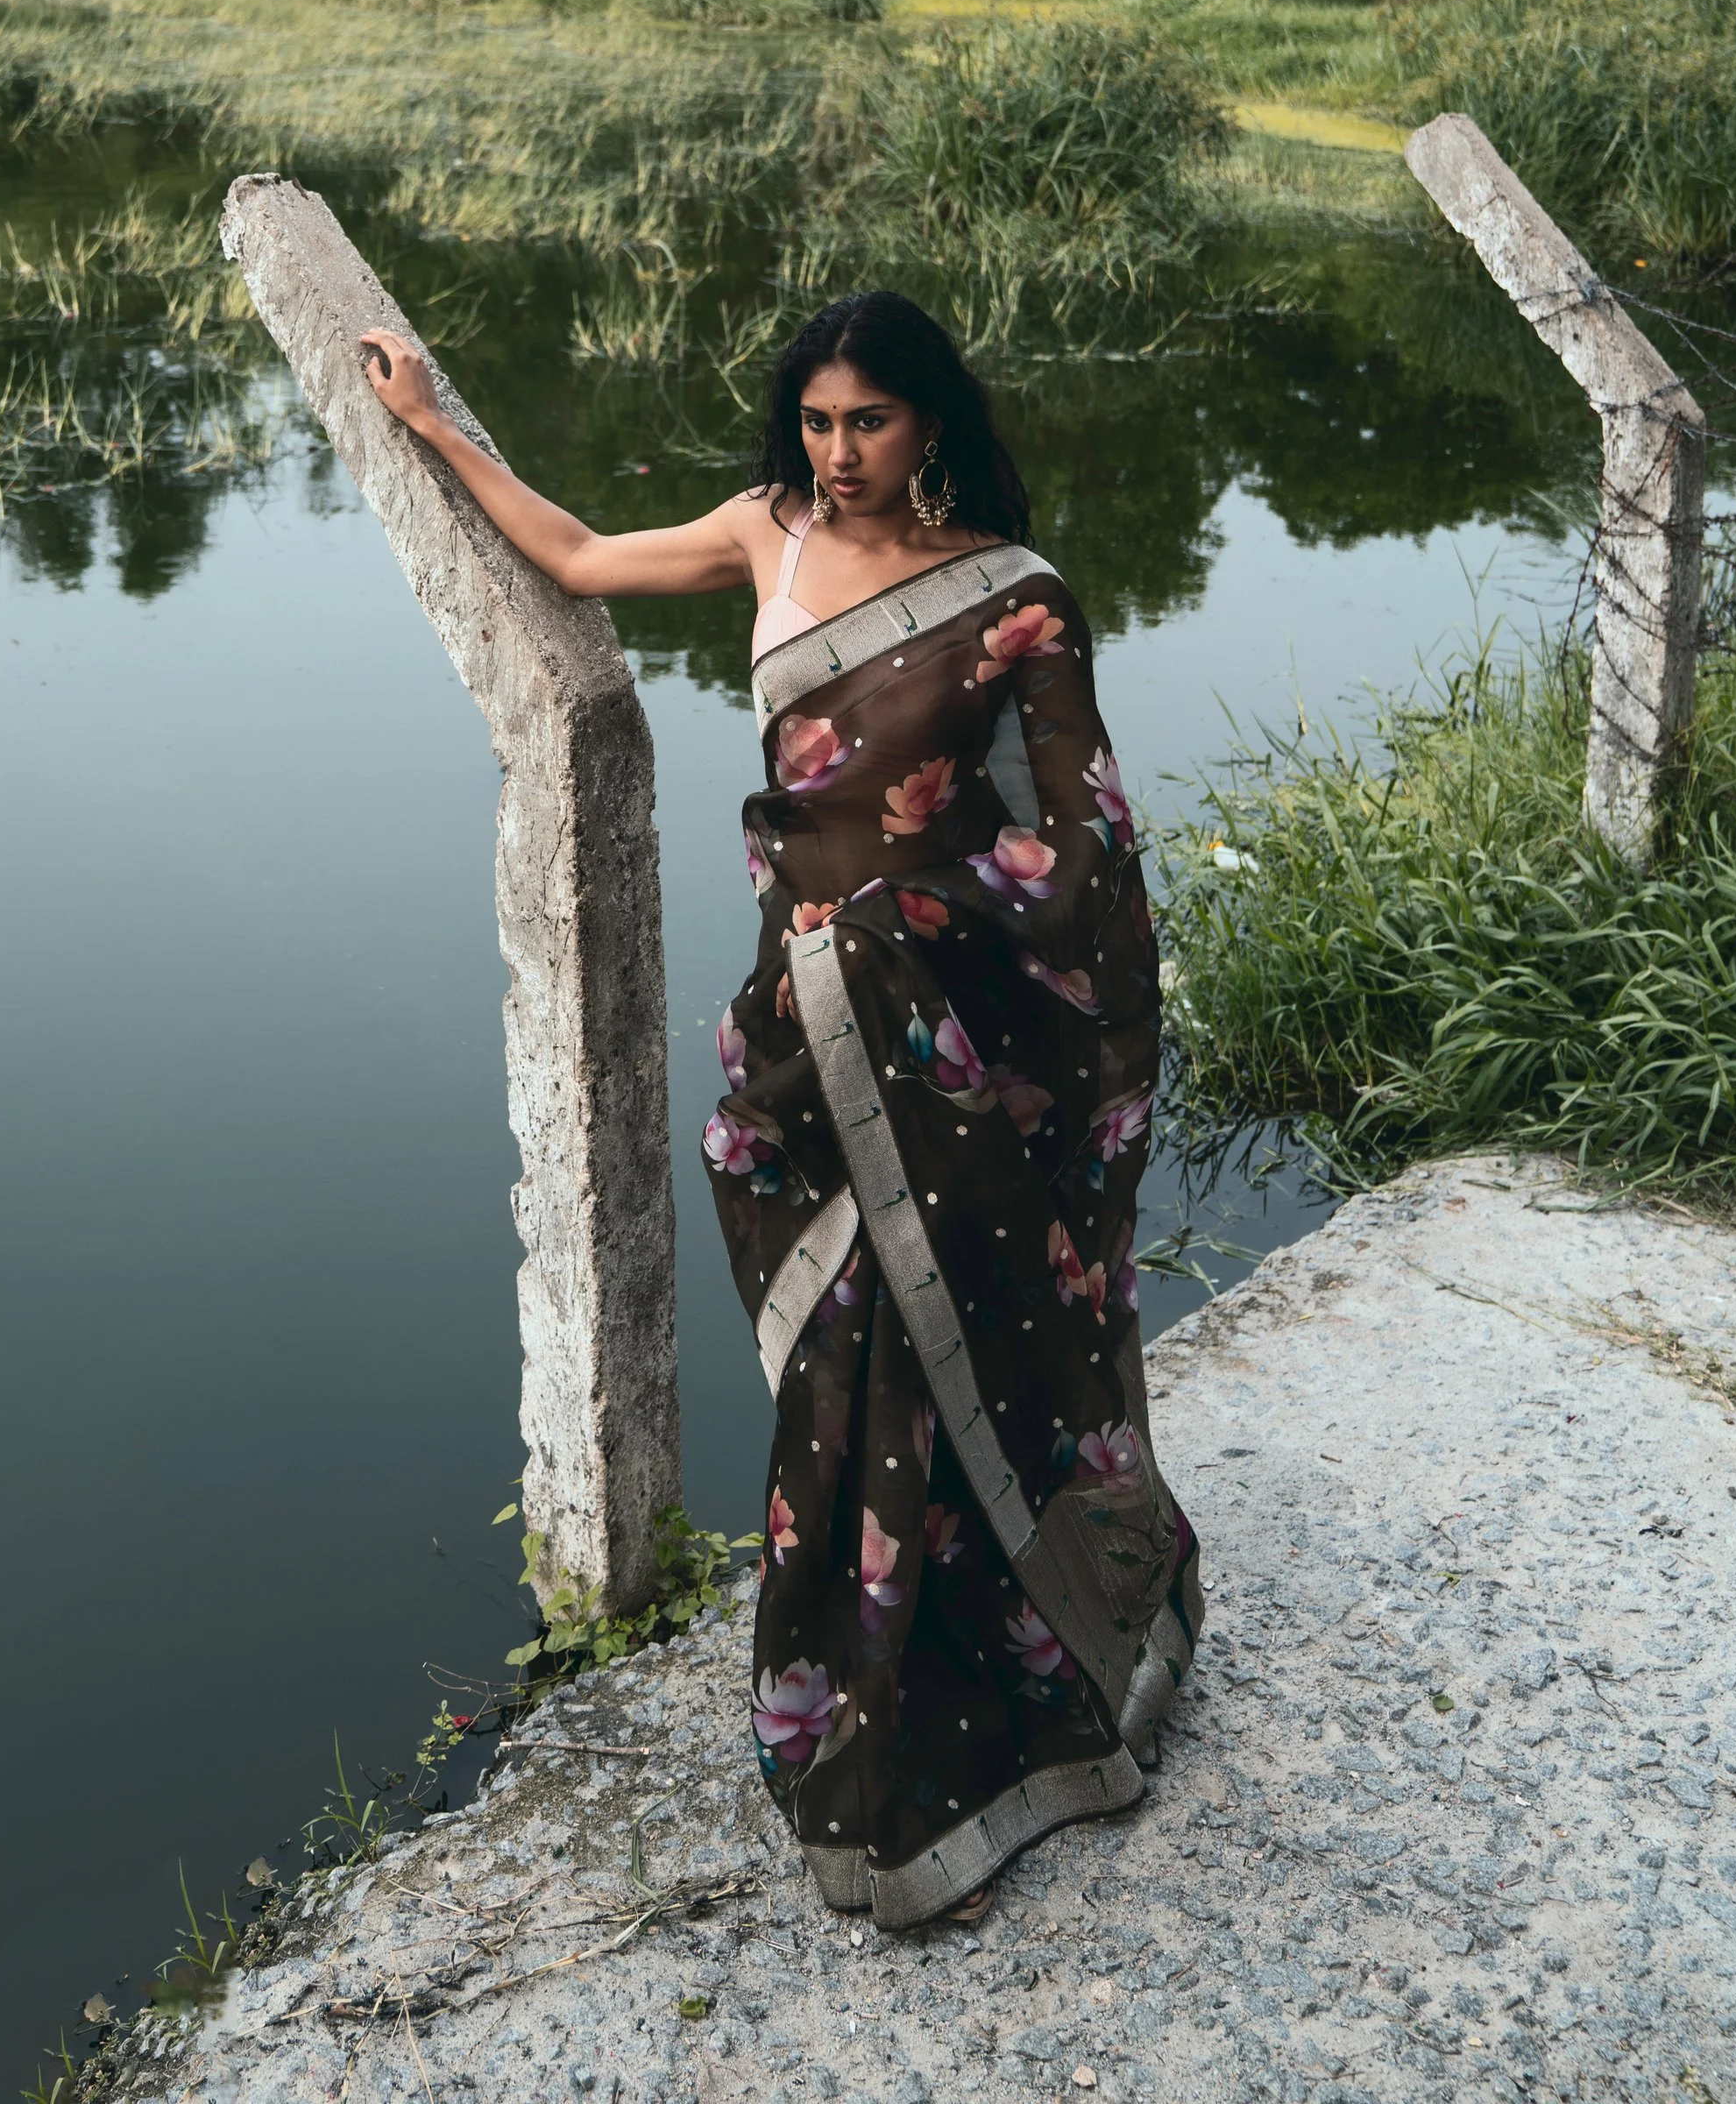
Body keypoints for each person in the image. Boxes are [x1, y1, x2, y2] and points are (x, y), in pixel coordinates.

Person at [361, 287, 1201, 1930]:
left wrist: (910, 929)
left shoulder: (1016, 601)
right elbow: (588, 559)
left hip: (952, 1041)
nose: (837, 453)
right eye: (815, 423)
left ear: (928, 420)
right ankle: (865, 1670)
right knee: (846, 1345)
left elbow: (1082, 846)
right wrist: (432, 425)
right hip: (803, 1040)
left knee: (951, 1325)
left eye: (865, 423)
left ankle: (1013, 1684)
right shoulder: (767, 533)